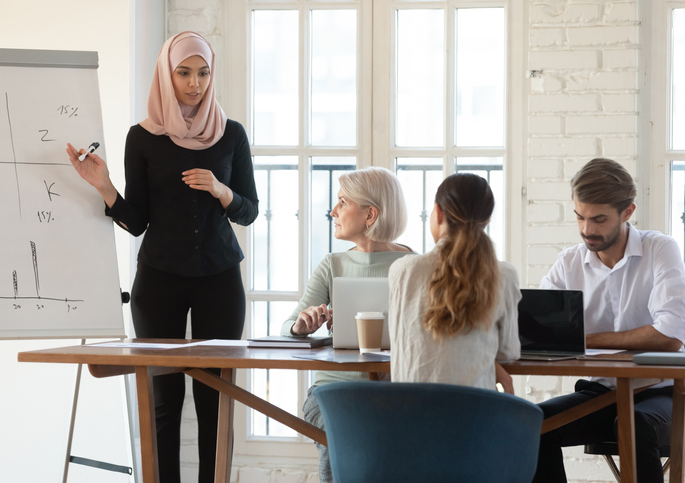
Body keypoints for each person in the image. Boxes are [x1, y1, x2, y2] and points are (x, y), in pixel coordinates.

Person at [66, 32, 258, 483]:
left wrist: (220, 188)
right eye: (184, 72)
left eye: (204, 73)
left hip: (219, 280)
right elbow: (136, 222)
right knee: (163, 399)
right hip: (159, 282)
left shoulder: (231, 134)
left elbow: (248, 211)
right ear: (166, 74)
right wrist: (103, 185)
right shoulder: (143, 138)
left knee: (216, 399)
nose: (195, 84)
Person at [533, 158, 685, 483]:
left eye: (599, 219)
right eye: (580, 217)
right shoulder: (568, 263)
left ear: (628, 212)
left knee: (634, 423)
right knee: (533, 423)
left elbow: (669, 336)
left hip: (662, 395)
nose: (587, 229)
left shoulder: (661, 250)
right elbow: (541, 333)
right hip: (600, 394)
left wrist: (584, 338)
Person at [280, 166, 412, 483]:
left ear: (370, 215)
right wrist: (302, 325)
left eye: (342, 202)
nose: (333, 211)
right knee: (343, 429)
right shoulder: (332, 264)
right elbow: (289, 325)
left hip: (395, 393)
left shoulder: (414, 267)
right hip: (331, 393)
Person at [387, 173, 520, 394]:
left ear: (438, 213)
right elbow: (508, 351)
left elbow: (402, 342)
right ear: (486, 221)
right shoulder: (503, 274)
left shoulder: (403, 270)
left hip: (409, 420)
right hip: (474, 421)